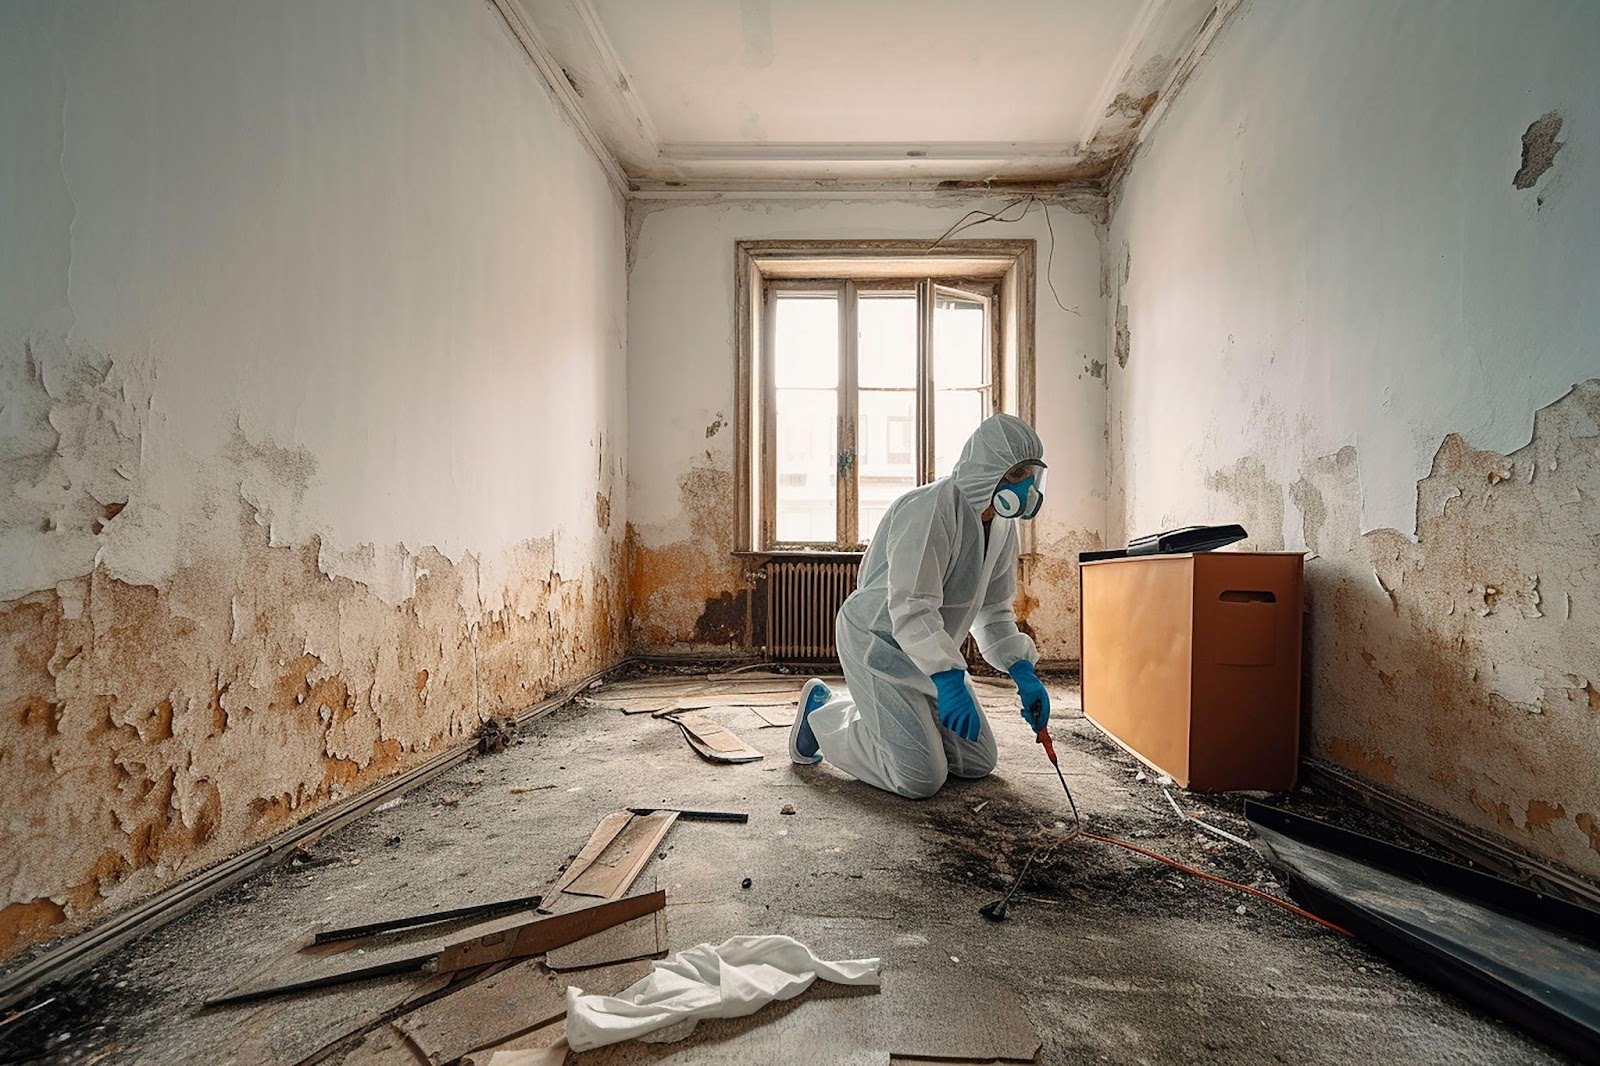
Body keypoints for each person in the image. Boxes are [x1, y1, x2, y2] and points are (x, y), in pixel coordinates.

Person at [788, 413, 1051, 799]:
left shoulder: (1002, 527)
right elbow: (912, 607)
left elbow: (993, 612)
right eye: (1016, 475)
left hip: (931, 651)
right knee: (920, 778)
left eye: (1031, 474)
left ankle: (902, 721)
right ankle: (821, 715)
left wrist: (1021, 668)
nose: (1027, 487)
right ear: (987, 467)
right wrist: (947, 678)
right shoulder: (931, 509)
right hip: (880, 643)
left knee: (978, 762)